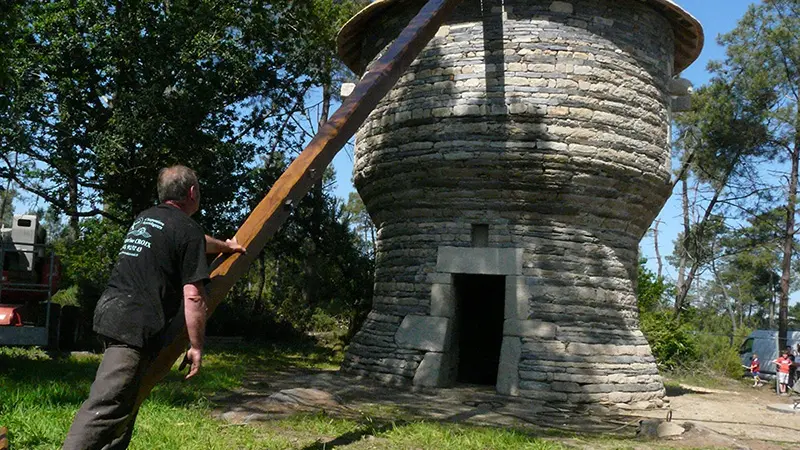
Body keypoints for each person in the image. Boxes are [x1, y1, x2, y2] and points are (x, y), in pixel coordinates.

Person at [63, 166, 245, 449]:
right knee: (106, 405)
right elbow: (194, 295)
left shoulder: (148, 218)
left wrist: (226, 247)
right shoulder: (186, 230)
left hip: (112, 310)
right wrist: (196, 345)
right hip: (134, 322)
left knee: (127, 400)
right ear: (192, 192)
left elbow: (198, 242)